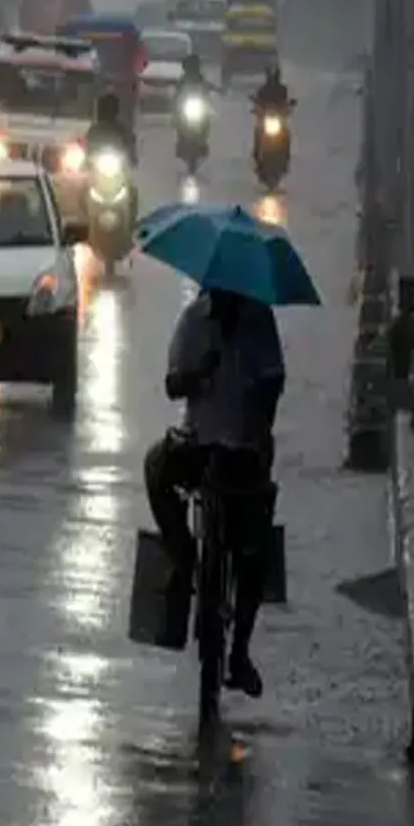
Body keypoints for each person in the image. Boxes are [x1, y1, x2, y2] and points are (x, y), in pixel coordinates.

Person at [144, 286, 286, 698]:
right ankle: (183, 554)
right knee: (156, 468)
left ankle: (239, 650)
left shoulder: (259, 321)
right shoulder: (193, 320)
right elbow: (173, 384)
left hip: (243, 453)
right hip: (197, 446)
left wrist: (257, 424)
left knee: (255, 550)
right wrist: (198, 375)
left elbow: (274, 382)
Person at [84, 92, 138, 165]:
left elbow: (129, 145)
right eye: (104, 110)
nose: (106, 112)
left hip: (117, 165)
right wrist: (87, 161)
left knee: (126, 175)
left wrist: (131, 158)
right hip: (98, 164)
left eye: (109, 109)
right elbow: (88, 147)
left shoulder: (121, 129)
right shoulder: (94, 130)